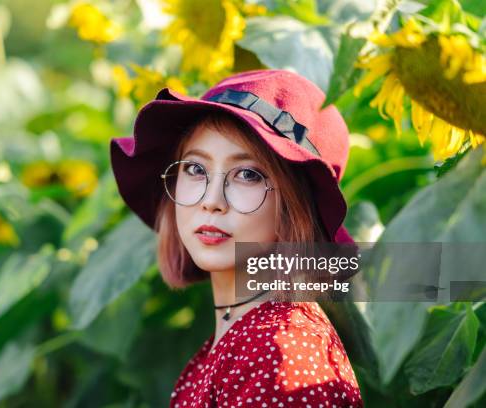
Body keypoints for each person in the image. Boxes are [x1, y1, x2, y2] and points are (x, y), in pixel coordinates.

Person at [110, 70, 363, 407]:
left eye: (247, 175)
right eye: (196, 169)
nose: (211, 200)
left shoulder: (278, 351)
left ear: (295, 206)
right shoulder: (243, 339)